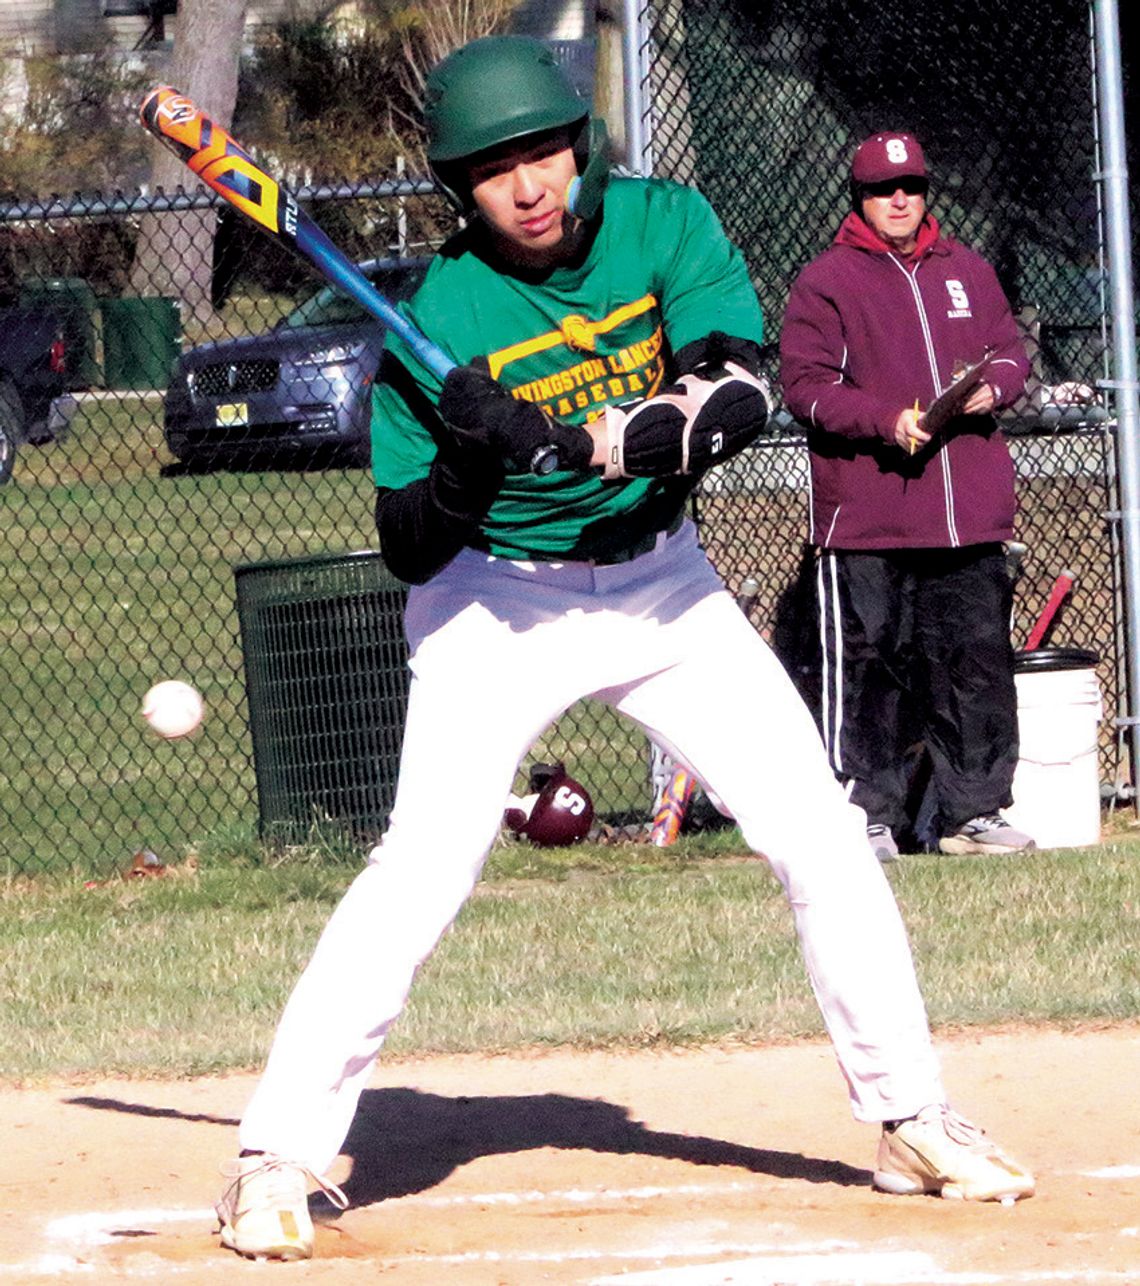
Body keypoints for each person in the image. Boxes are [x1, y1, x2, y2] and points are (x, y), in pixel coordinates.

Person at [214, 46, 1034, 1261]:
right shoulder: (436, 317)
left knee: (817, 824)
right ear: (459, 190)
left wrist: (609, 437)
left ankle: (910, 1113)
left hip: (664, 584)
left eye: (543, 151)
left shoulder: (663, 222)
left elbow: (738, 393)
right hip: (496, 600)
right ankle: (274, 1155)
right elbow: (408, 547)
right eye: (493, 170)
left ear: (583, 145)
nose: (528, 186)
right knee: (421, 867)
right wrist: (469, 460)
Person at [780, 131, 1035, 864]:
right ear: (858, 199)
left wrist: (996, 385)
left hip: (966, 519)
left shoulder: (968, 269)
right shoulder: (826, 280)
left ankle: (974, 813)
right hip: (870, 516)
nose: (900, 199)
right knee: (869, 666)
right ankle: (863, 815)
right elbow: (806, 388)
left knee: (973, 664)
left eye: (912, 187)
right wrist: (887, 420)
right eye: (883, 189)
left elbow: (1010, 349)